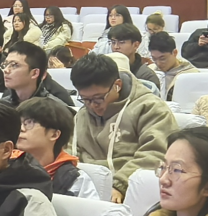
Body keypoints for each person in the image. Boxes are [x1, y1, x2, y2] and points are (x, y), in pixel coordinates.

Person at [70, 52, 179, 202]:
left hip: (130, 187)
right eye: (85, 99)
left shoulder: (150, 108)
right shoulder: (82, 114)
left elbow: (155, 154)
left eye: (99, 98)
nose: (93, 105)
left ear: (117, 85)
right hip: (86, 185)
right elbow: (69, 149)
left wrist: (120, 184)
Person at [13, 96, 83, 196]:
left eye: (29, 123)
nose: (21, 129)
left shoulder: (75, 179)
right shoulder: (6, 165)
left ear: (54, 135)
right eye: (19, 123)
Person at [0, 40, 73, 107]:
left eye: (14, 65)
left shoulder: (54, 108)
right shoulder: (3, 104)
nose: (6, 70)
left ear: (35, 73)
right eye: (5, 64)